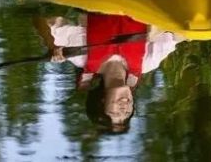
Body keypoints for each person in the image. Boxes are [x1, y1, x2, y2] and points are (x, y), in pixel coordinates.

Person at [35, 11, 186, 132]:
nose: (124, 109)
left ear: (102, 102)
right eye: (127, 113)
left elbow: (40, 20)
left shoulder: (81, 55)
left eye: (115, 113)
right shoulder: (148, 62)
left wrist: (51, 45)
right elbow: (181, 35)